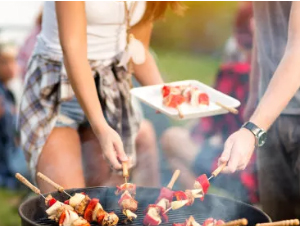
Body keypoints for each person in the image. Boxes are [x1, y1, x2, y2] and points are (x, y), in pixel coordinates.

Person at [18, 2, 183, 193]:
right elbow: (73, 49)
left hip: (110, 90)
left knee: (108, 206)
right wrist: (102, 127)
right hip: (56, 87)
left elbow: (139, 50)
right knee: (69, 207)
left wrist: (165, 94)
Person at [219, 2, 300, 226]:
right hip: (273, 120)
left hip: (273, 121)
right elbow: (265, 33)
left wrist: (253, 130)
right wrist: (255, 98)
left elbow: (298, 50)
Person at [161, 2, 258, 204]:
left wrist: (190, 124)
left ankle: (201, 209)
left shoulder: (234, 72)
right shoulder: (283, 80)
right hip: (270, 171)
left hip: (240, 171)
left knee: (172, 139)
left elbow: (206, 129)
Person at [0, 40, 29, 189]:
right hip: (6, 160)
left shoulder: (8, 92)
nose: (12, 67)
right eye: (5, 63)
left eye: (13, 62)